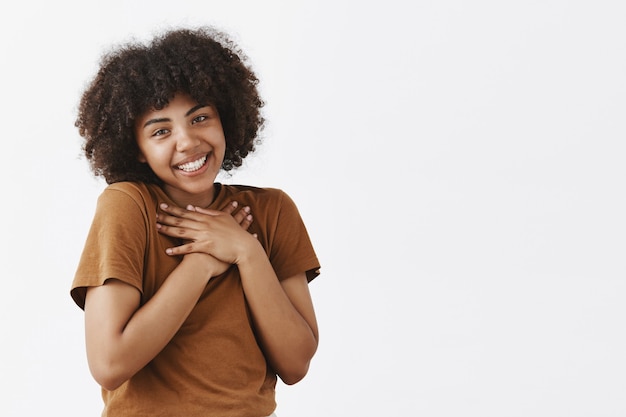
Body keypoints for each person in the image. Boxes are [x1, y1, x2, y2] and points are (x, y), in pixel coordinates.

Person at [70, 26, 321, 417]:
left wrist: (245, 250)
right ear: (135, 148)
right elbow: (109, 365)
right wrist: (201, 264)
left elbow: (296, 363)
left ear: (226, 117)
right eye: (161, 131)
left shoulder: (271, 211)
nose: (186, 142)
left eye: (200, 117)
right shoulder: (128, 206)